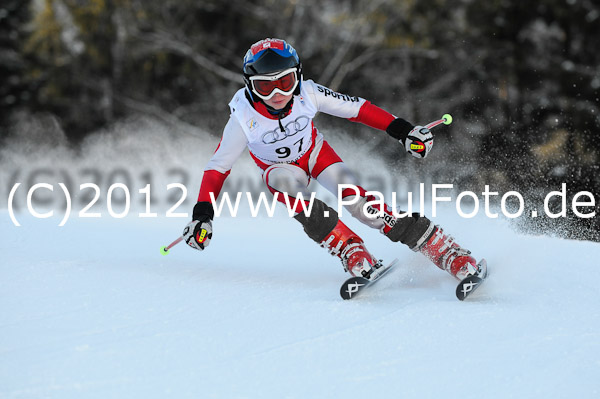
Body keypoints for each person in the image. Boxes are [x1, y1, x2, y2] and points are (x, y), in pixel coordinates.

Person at [182, 38, 485, 282]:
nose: (277, 93)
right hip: (279, 170)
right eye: (265, 86)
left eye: (285, 82)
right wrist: (202, 214)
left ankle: (445, 250)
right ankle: (349, 249)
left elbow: (358, 109)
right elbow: (218, 167)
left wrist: (404, 132)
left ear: (297, 77)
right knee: (295, 196)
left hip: (315, 155)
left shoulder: (308, 93)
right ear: (250, 86)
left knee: (360, 204)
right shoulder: (242, 118)